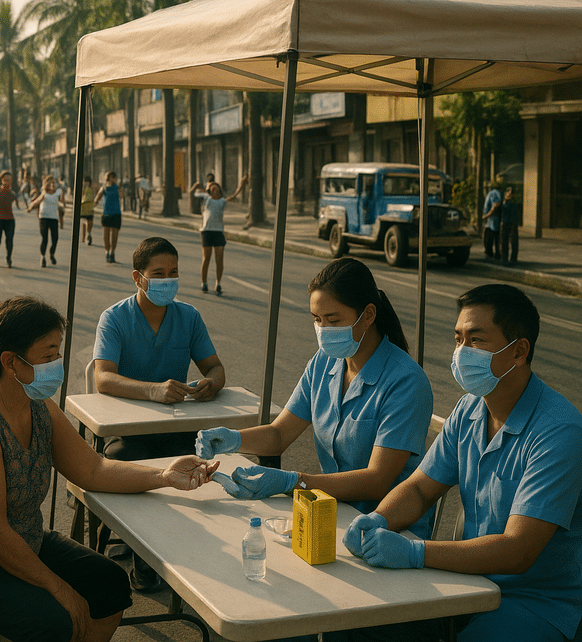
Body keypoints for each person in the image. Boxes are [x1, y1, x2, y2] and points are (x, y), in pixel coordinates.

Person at [0, 295, 219, 642]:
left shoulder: (38, 406)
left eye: (57, 354)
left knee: (110, 585)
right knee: (56, 619)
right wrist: (57, 587)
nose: (56, 364)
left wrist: (164, 476)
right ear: (10, 362)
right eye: (48, 356)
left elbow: (94, 470)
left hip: (20, 541)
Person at [344, 284, 582, 642]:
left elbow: (518, 550)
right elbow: (421, 488)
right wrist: (380, 518)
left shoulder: (558, 430)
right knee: (356, 622)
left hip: (533, 602)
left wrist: (414, 552)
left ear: (518, 350)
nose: (461, 352)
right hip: (466, 582)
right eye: (458, 339)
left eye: (476, 340)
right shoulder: (470, 408)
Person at [197, 258, 435, 540]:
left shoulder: (406, 381)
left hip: (388, 531)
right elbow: (279, 433)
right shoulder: (324, 363)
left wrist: (294, 482)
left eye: (333, 320)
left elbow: (376, 480)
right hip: (329, 514)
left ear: (369, 315)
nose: (323, 330)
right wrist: (233, 439)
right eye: (317, 320)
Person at [93, 236, 226, 590]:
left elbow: (215, 368)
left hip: (178, 428)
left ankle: (201, 556)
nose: (167, 280)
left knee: (205, 463)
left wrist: (211, 383)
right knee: (136, 464)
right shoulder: (115, 318)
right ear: (138, 278)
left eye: (173, 273)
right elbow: (102, 378)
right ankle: (146, 558)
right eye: (158, 274)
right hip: (130, 433)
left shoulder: (188, 316)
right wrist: (152, 390)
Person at [196, 175, 247, 295]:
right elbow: (195, 192)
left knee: (219, 259)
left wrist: (242, 184)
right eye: (212, 189)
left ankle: (218, 284)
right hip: (206, 232)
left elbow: (234, 195)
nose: (214, 191)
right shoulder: (206, 199)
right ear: (210, 191)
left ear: (219, 191)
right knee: (206, 258)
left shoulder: (222, 201)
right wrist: (199, 186)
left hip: (218, 232)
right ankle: (204, 283)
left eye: (216, 189)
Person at [28, 175, 64, 267]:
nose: (52, 184)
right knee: (45, 239)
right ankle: (43, 257)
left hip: (54, 218)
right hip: (43, 218)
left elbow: (61, 203)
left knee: (55, 238)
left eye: (53, 182)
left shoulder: (58, 192)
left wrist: (61, 206)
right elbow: (38, 201)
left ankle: (52, 254)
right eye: (50, 182)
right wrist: (31, 207)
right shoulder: (44, 193)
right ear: (46, 184)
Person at [93, 171, 122, 263]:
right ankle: (106, 252)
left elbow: (121, 196)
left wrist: (120, 189)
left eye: (115, 177)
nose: (114, 179)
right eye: (112, 177)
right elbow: (97, 197)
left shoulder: (117, 188)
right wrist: (93, 205)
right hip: (106, 214)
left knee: (114, 235)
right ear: (108, 178)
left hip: (116, 214)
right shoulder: (104, 188)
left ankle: (112, 252)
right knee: (106, 235)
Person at [482, 181, 502, 260]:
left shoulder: (493, 193)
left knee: (491, 238)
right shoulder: (494, 193)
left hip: (493, 220)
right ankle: (493, 253)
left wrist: (487, 215)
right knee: (492, 238)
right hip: (490, 221)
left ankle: (492, 253)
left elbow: (496, 205)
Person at [499, 186, 520, 266]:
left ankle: (513, 258)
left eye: (511, 193)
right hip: (505, 222)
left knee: (513, 241)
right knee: (504, 241)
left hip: (511, 222)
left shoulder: (512, 202)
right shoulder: (503, 201)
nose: (510, 194)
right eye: (509, 193)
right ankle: (505, 258)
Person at [79, 176, 95, 245]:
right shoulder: (82, 189)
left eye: (87, 181)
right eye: (85, 181)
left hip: (90, 208)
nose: (86, 183)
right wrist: (83, 188)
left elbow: (93, 196)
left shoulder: (91, 189)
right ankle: (84, 237)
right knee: (84, 222)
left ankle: (88, 234)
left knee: (90, 223)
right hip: (83, 208)